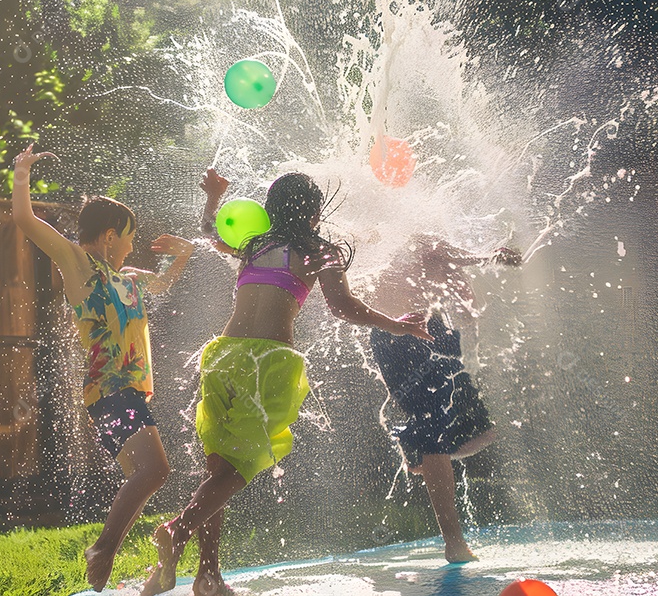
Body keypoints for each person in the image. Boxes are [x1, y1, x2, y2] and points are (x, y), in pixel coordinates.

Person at [141, 169, 433, 596]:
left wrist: (213, 199)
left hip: (223, 355)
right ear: (315, 211)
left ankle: (207, 576)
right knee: (247, 461)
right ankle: (178, 530)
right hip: (267, 362)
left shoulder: (255, 245)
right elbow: (344, 307)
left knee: (218, 467)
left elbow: (209, 233)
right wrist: (399, 327)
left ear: (270, 210)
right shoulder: (320, 251)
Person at [11, 144, 195, 592]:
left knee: (148, 473)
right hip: (110, 391)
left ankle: (113, 553)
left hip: (125, 393)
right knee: (154, 471)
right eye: (130, 236)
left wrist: (184, 252)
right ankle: (104, 548)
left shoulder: (128, 278)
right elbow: (25, 222)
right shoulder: (78, 263)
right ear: (110, 235)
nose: (133, 244)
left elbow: (166, 280)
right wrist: (21, 173)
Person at [367, 233, 521, 562]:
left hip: (417, 331)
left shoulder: (399, 243)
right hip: (406, 331)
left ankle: (423, 449)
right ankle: (454, 542)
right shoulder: (416, 236)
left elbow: (461, 291)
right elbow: (451, 256)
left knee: (484, 431)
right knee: (434, 433)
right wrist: (491, 256)